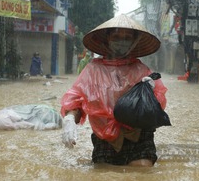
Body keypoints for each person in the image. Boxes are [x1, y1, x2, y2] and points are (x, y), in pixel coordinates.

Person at [60, 14, 168, 166]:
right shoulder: (92, 70)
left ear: (134, 41)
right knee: (105, 172)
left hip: (139, 137)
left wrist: (150, 96)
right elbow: (76, 101)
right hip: (104, 140)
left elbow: (159, 105)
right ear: (107, 39)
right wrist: (70, 119)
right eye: (117, 36)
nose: (122, 41)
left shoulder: (141, 70)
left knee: (142, 170)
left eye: (127, 37)